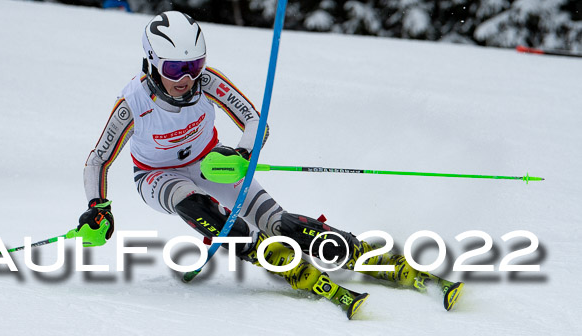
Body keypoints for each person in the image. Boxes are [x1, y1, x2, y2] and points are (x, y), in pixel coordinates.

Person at [73, 11, 462, 318]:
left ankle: (362, 253)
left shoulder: (207, 82)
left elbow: (256, 123)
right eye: (175, 69)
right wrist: (98, 208)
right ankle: (264, 253)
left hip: (212, 164)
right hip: (157, 177)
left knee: (282, 223)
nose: (187, 79)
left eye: (195, 66)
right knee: (198, 207)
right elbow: (98, 161)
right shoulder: (133, 104)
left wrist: (241, 154)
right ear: (153, 62)